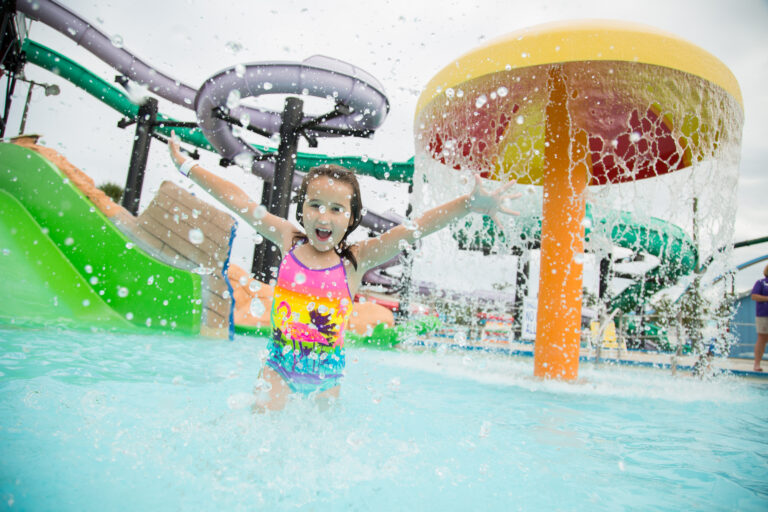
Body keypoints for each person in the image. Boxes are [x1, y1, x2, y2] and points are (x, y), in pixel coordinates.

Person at [168, 132, 521, 410]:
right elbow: (240, 202)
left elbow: (415, 228)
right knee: (262, 429)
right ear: (301, 209)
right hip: (277, 367)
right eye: (315, 205)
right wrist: (187, 167)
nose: (324, 216)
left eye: (337, 209)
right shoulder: (289, 239)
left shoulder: (356, 259)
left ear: (352, 218)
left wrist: (468, 204)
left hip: (326, 378)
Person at [751, 264, 768, 372]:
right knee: (762, 338)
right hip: (763, 315)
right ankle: (757, 364)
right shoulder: (761, 283)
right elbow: (754, 296)